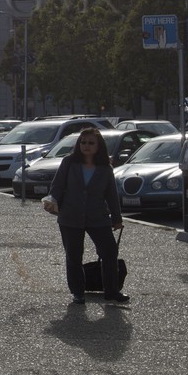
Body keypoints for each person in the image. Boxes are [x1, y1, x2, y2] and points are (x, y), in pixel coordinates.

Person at [44, 130, 127, 305]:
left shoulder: (105, 168)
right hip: (70, 217)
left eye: (91, 143)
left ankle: (112, 291)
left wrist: (117, 218)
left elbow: (111, 194)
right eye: (83, 143)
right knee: (74, 256)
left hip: (98, 217)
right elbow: (57, 185)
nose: (86, 146)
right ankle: (78, 292)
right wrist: (52, 200)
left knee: (109, 252)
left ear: (99, 146)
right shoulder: (69, 162)